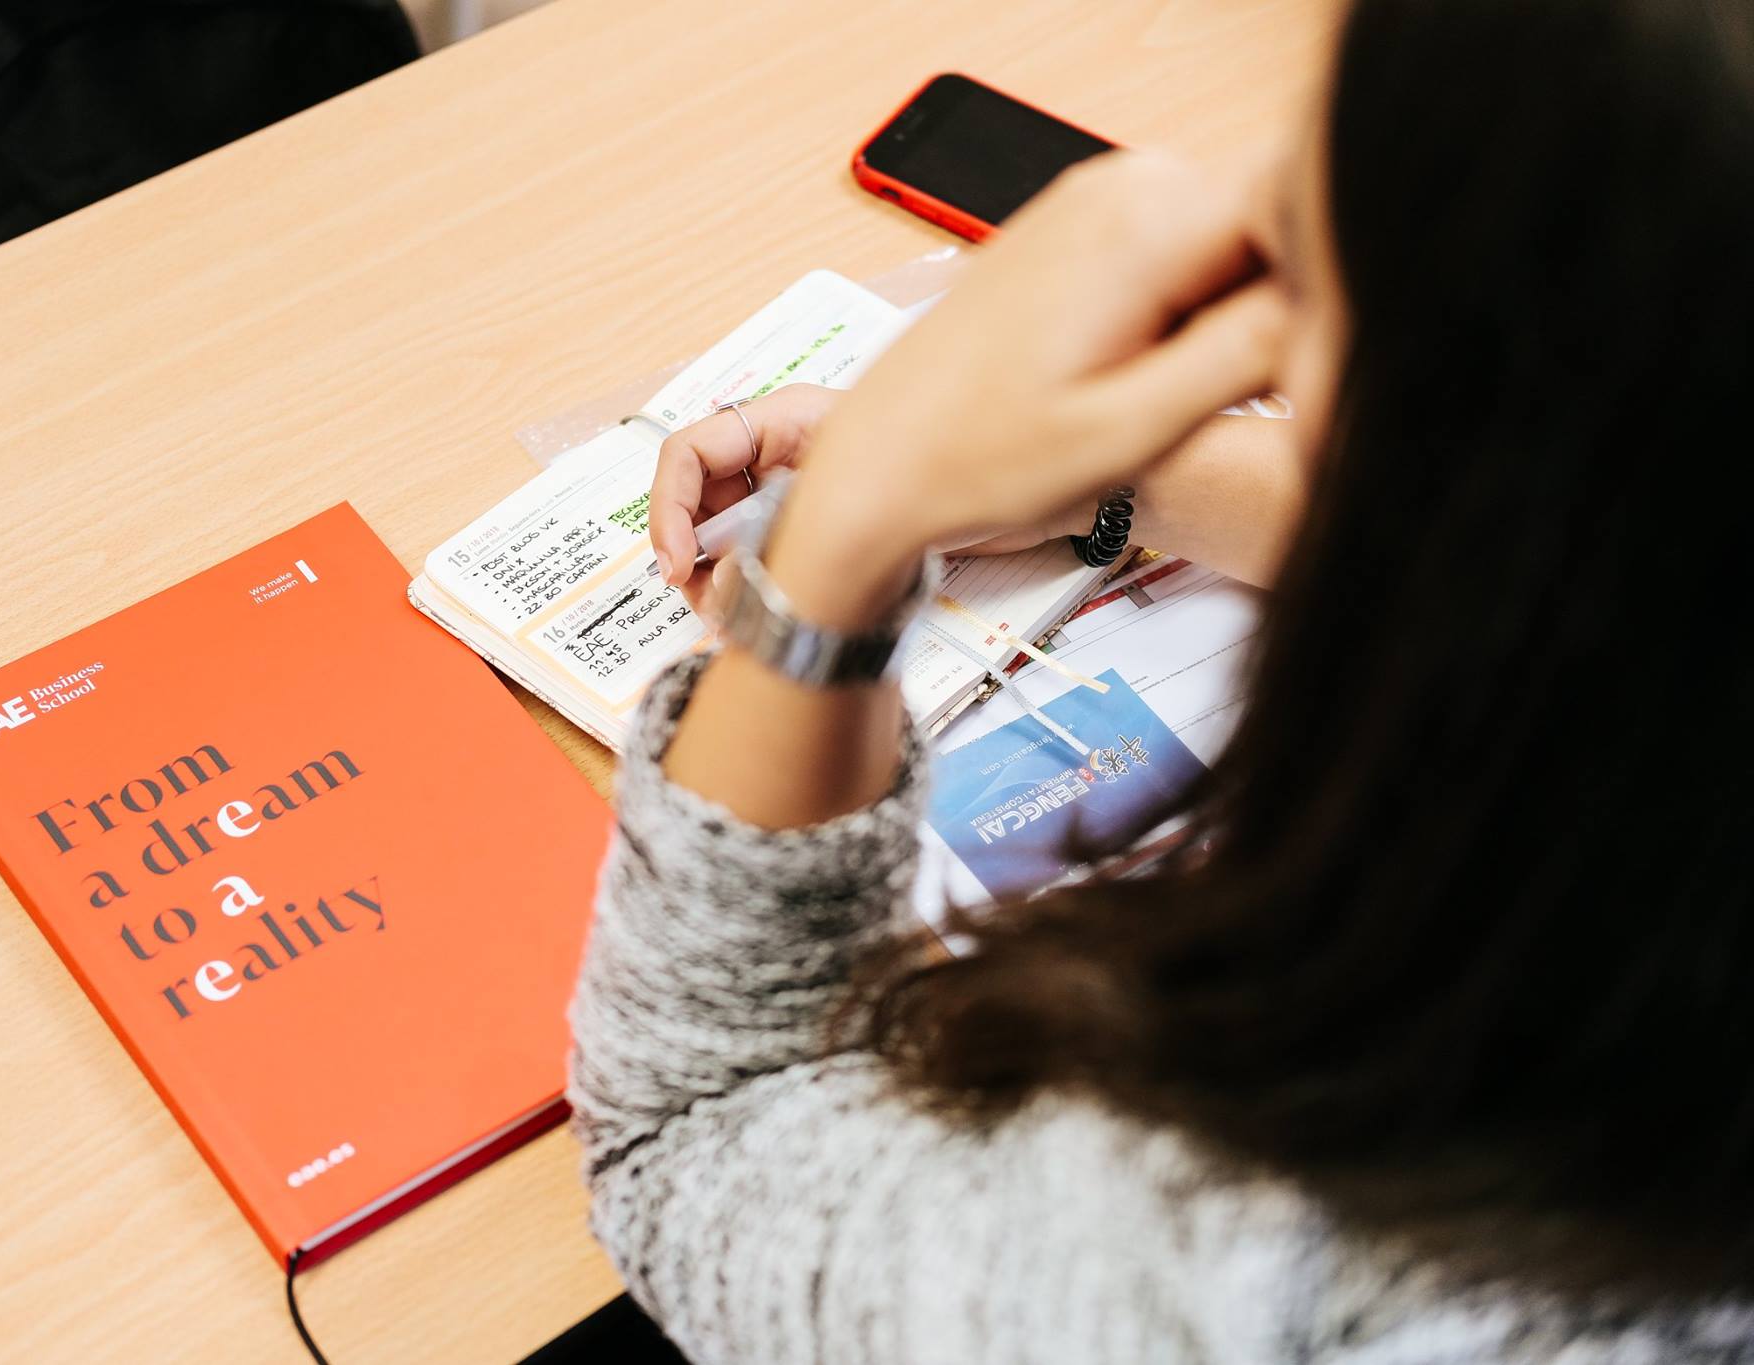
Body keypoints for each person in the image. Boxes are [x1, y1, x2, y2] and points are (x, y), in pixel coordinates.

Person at [565, 0, 1754, 1359]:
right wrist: (1128, 478)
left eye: (1299, 294)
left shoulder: (1265, 1254)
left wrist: (848, 536)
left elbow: (700, 1131)